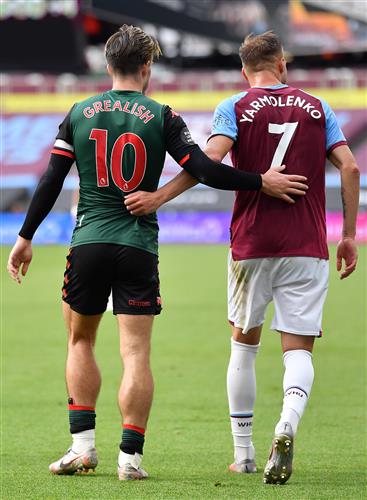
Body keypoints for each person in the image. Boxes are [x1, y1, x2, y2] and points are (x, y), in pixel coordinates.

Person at [6, 26, 308, 481]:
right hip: (137, 246)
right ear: (147, 68)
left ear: (108, 66)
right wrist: (257, 180)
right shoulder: (161, 115)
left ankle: (82, 447)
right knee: (136, 353)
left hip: (88, 241)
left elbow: (50, 181)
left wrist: (25, 236)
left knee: (80, 340)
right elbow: (205, 169)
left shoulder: (79, 112)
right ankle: (131, 459)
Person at [124, 31, 360, 484]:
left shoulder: (233, 106)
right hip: (306, 243)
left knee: (243, 346)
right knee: (298, 348)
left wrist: (158, 196)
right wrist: (347, 235)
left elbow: (207, 162)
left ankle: (245, 454)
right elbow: (350, 166)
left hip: (251, 242)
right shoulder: (318, 107)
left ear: (243, 71)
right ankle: (287, 423)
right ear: (283, 65)